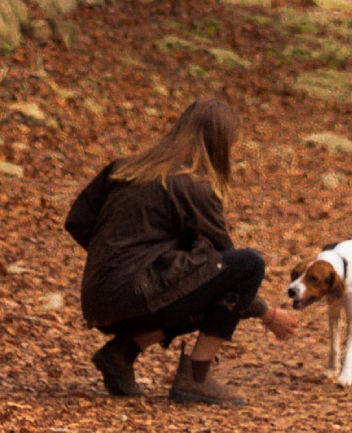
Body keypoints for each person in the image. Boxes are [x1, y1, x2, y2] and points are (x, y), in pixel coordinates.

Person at [64, 97, 299, 405]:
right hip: (135, 298)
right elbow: (228, 272)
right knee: (249, 263)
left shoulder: (126, 168)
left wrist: (114, 259)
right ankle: (196, 377)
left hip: (99, 301)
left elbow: (77, 222)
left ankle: (122, 353)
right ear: (218, 143)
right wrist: (268, 314)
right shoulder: (192, 185)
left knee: (193, 279)